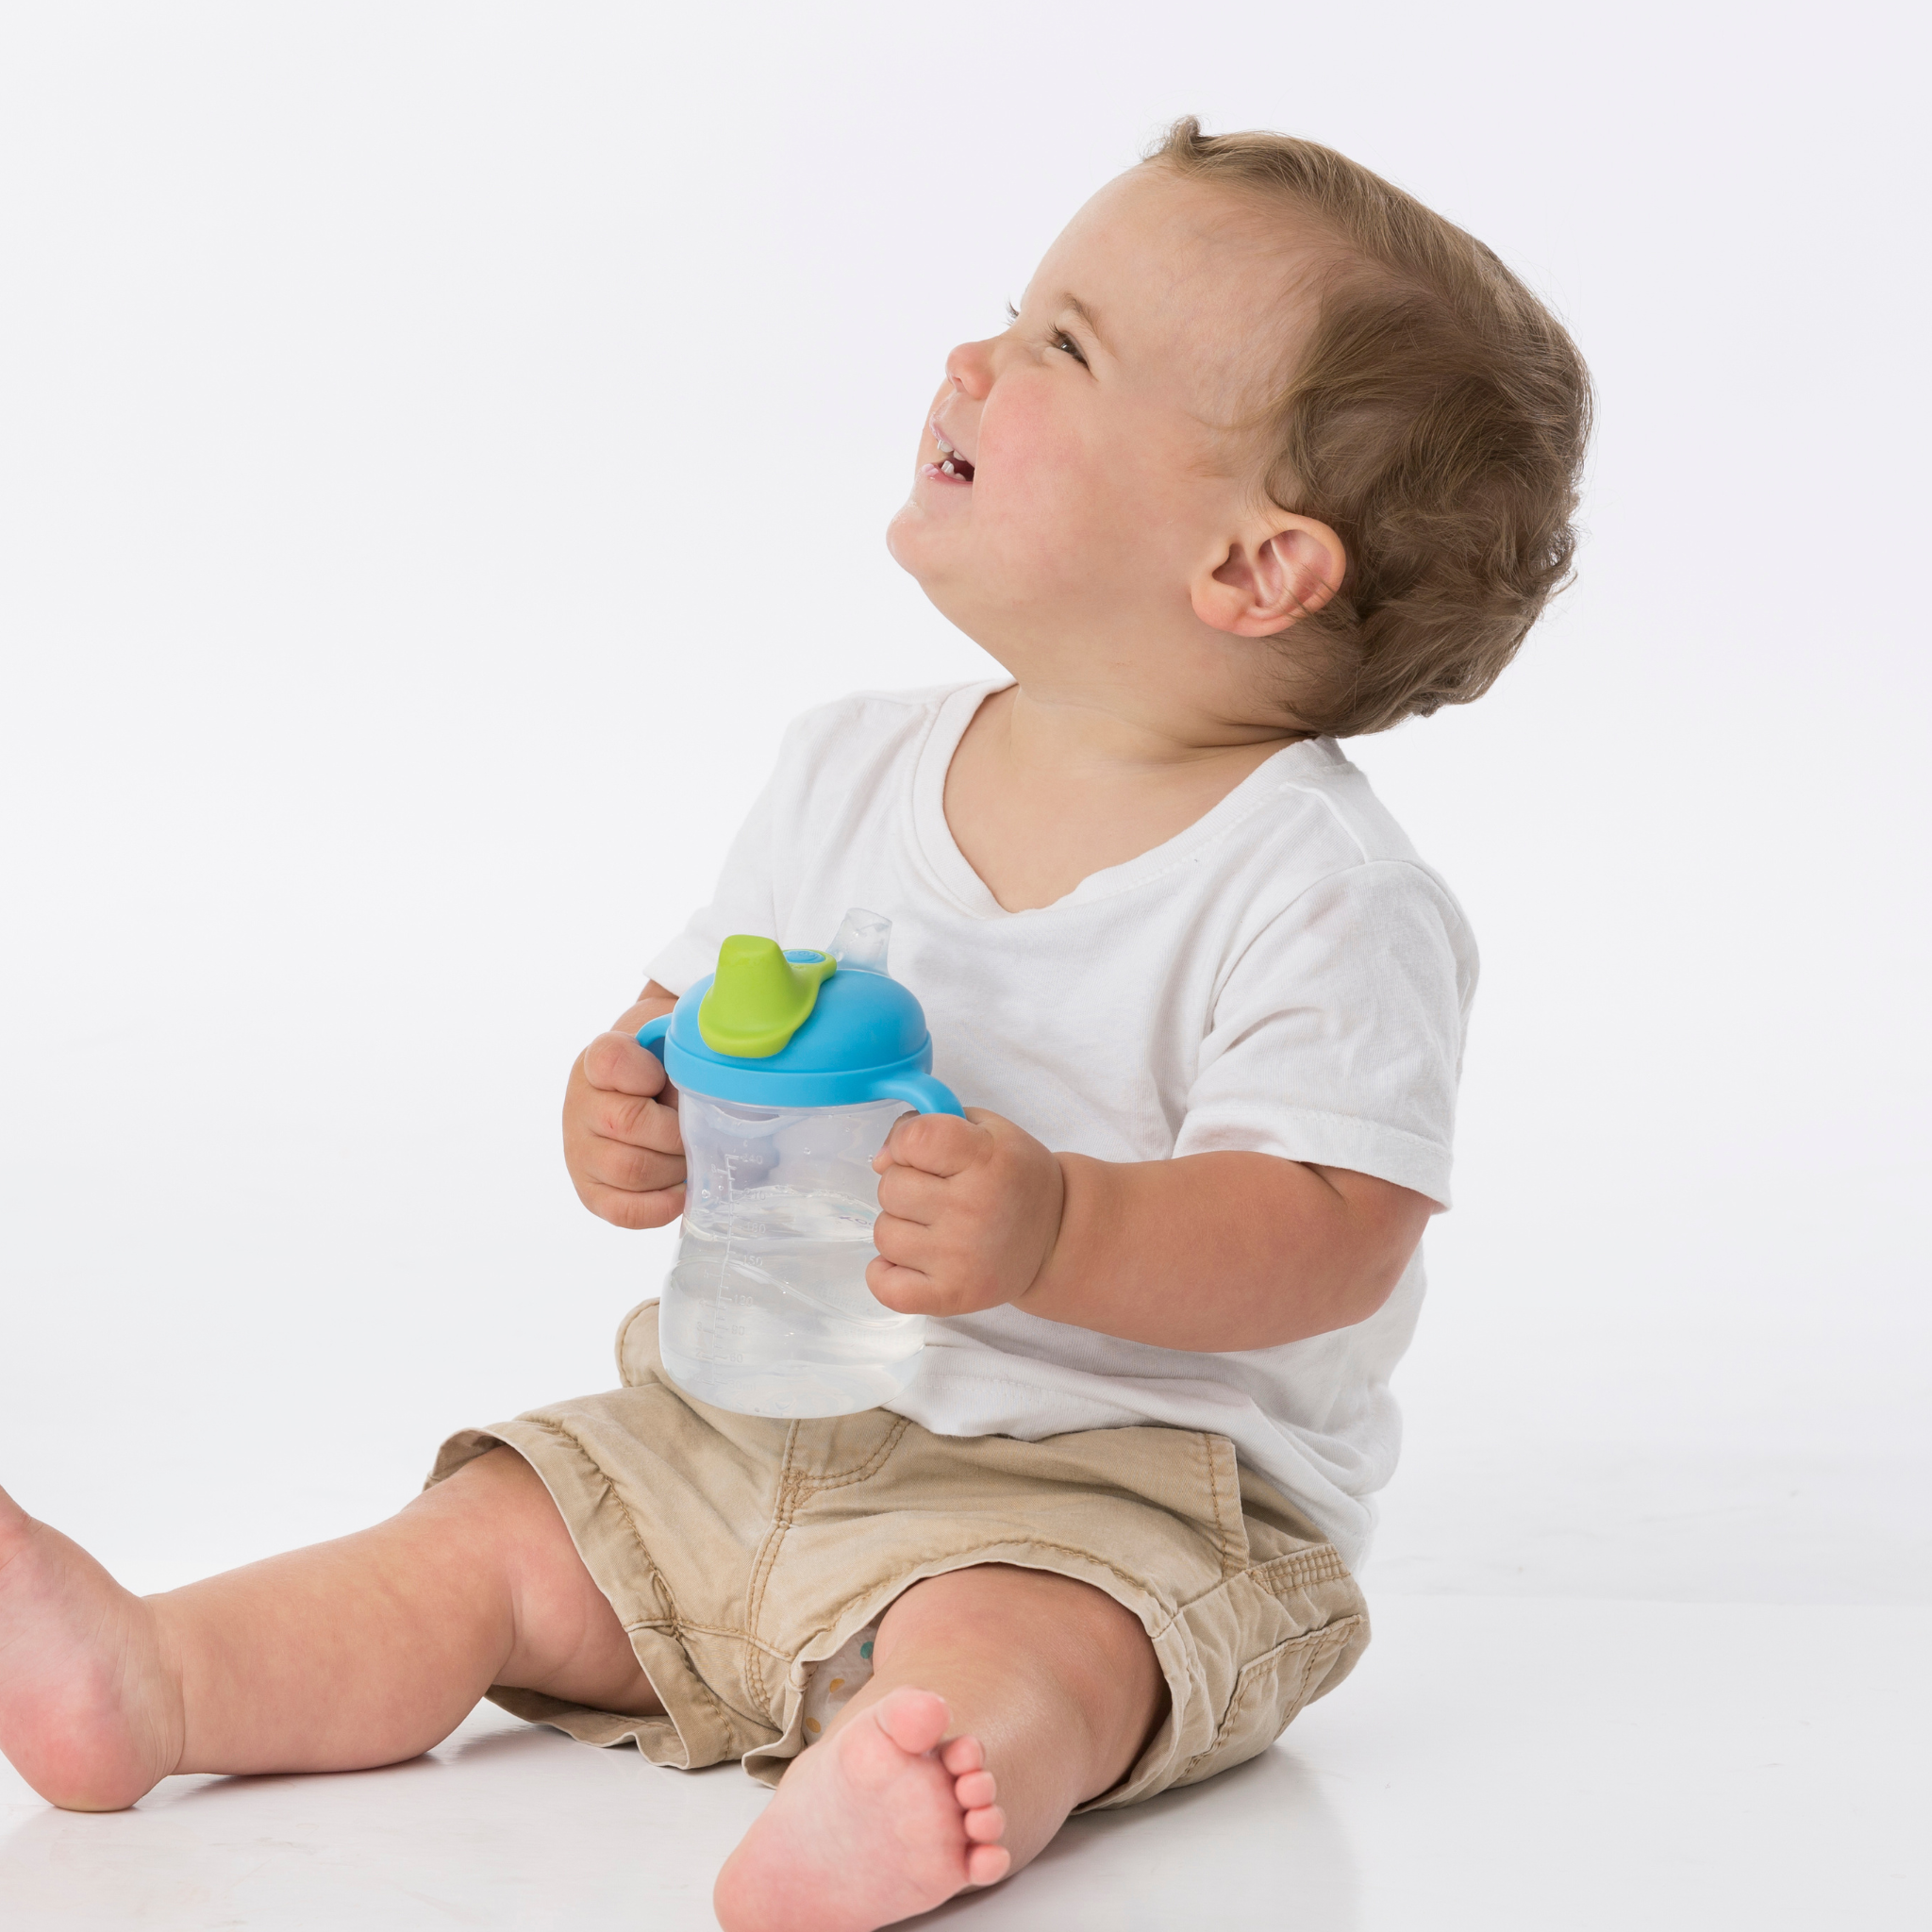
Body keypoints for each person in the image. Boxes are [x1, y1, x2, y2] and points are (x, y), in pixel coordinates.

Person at [0, 120, 1591, 1932]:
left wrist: (1062, 1227)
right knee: (500, 1543)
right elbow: (712, 1011)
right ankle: (155, 1680)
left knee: (1041, 1645)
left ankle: (909, 1780)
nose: (969, 361)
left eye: (1066, 346)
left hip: (1117, 1488)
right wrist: (637, 1091)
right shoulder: (850, 765)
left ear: (1250, 571)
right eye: (1013, 310)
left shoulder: (1317, 890)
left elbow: (1334, 1230)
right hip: (755, 1422)